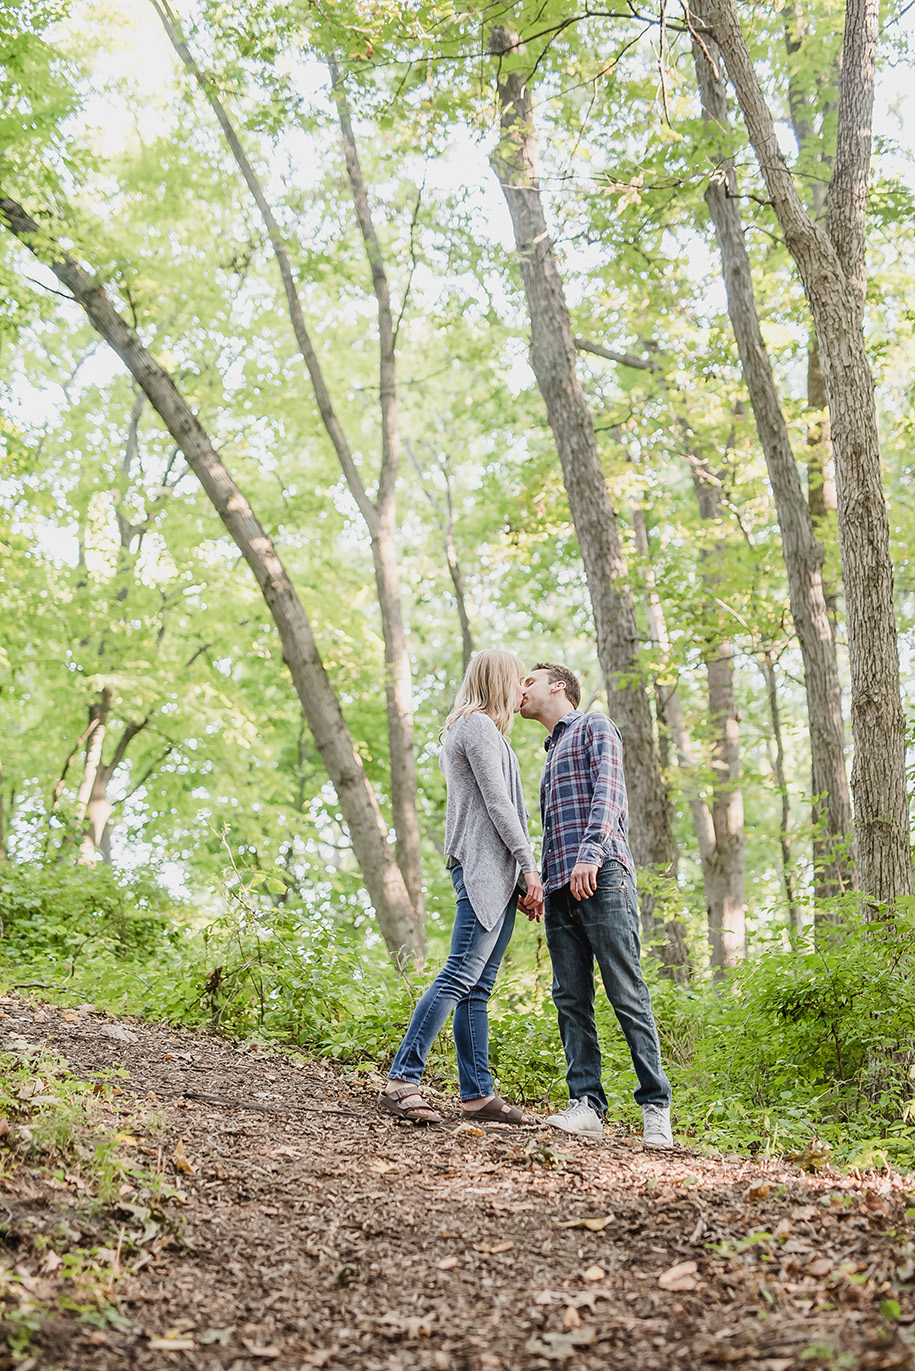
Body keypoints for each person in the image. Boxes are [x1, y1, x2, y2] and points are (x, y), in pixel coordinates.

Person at [379, 649, 544, 1125]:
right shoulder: (475, 726)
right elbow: (498, 804)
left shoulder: (489, 733)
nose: (523, 692)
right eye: (519, 682)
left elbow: (509, 807)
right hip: (483, 868)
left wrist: (521, 878)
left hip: (501, 872)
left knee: (477, 987)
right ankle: (401, 1078)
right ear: (499, 682)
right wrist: (529, 867)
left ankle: (476, 1095)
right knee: (458, 974)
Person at [520, 661, 673, 1148]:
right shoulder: (550, 752)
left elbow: (609, 794)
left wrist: (590, 856)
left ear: (557, 686)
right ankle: (586, 1104)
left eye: (529, 682)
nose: (519, 690)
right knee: (570, 998)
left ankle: (655, 1108)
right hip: (562, 887)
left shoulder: (594, 725)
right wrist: (541, 884)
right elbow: (553, 832)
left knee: (626, 992)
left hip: (602, 875)